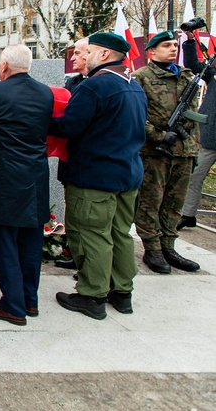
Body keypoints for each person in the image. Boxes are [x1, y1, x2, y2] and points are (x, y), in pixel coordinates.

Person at [48, 32, 147, 319]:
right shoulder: (134, 85)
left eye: (87, 50)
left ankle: (92, 295)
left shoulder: (95, 86)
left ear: (103, 54)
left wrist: (38, 117)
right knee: (120, 234)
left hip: (95, 176)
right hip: (126, 173)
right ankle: (122, 291)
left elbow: (69, 127)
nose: (82, 56)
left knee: (91, 234)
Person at [0, 44, 54, 326]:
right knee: (31, 242)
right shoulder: (45, 93)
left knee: (4, 242)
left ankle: (12, 305)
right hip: (35, 176)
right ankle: (29, 300)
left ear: (4, 67)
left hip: (4, 178)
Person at [132, 31, 201, 273]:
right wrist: (160, 135)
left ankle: (169, 246)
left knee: (174, 202)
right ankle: (152, 249)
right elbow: (136, 116)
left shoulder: (185, 75)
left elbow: (194, 110)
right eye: (166, 45)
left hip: (184, 149)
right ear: (151, 51)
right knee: (151, 201)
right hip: (155, 151)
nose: (173, 49)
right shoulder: (140, 78)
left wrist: (185, 131)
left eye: (174, 45)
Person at [55, 37, 90, 270]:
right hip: (72, 162)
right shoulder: (74, 83)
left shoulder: (95, 85)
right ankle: (79, 257)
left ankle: (92, 272)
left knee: (91, 224)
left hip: (90, 164)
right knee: (75, 217)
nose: (73, 57)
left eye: (78, 53)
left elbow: (71, 123)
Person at [178, 28, 216, 231]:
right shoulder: (214, 75)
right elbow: (193, 64)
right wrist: (191, 40)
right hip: (209, 137)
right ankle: (188, 214)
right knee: (195, 177)